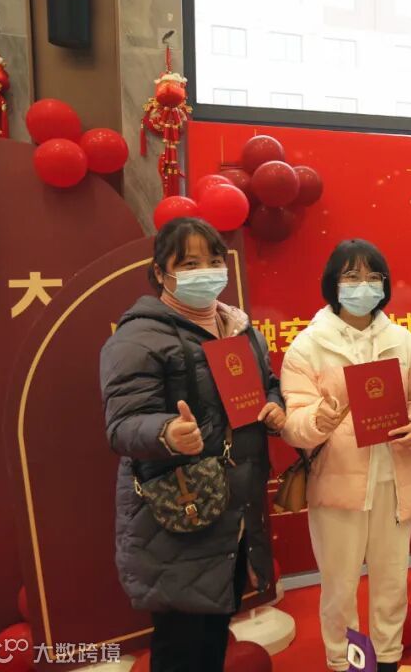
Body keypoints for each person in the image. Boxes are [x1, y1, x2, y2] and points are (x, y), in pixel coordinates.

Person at [100, 217, 285, 672]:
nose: (206, 271)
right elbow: (122, 423)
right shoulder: (139, 337)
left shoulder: (239, 328)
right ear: (160, 272)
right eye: (189, 263)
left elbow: (268, 384)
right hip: (179, 516)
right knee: (180, 646)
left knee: (214, 635)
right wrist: (166, 433)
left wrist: (274, 406)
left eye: (213, 260)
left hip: (235, 510)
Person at [278, 239, 411, 672]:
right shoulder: (308, 346)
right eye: (351, 276)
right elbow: (293, 420)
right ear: (333, 283)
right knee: (339, 588)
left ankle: (386, 660)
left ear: (384, 284)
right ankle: (347, 663)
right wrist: (319, 420)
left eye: (372, 276)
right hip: (338, 485)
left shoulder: (401, 341)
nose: (362, 285)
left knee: (392, 583)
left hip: (395, 483)